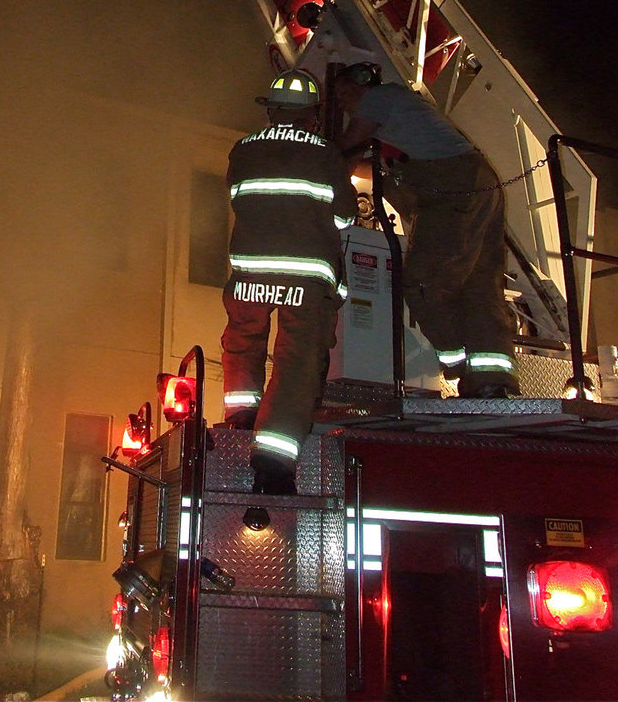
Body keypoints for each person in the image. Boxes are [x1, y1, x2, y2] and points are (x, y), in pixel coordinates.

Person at [332, 62, 519, 399]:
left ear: (362, 85)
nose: (344, 104)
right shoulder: (405, 121)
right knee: (479, 287)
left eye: (344, 94)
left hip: (454, 192)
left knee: (422, 283)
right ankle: (491, 380)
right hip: (478, 185)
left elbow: (346, 149)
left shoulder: (379, 99)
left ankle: (459, 363)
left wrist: (318, 168)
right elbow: (369, 166)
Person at [220, 68, 358, 496]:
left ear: (272, 111)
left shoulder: (242, 149)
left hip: (250, 271)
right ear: (312, 116)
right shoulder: (325, 153)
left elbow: (239, 196)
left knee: (244, 338)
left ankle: (243, 417)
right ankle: (274, 461)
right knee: (295, 363)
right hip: (305, 275)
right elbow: (344, 217)